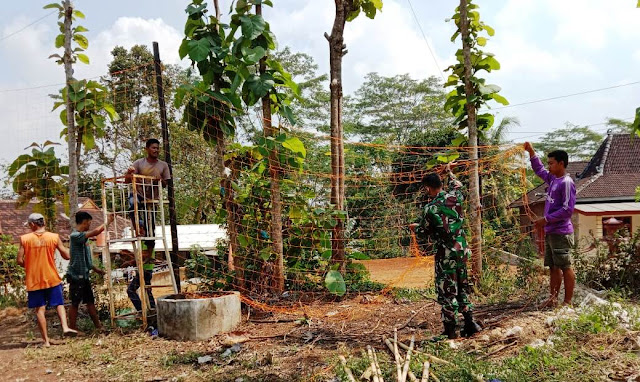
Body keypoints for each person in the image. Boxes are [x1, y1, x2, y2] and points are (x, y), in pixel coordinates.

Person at [410, 164, 482, 340]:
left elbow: (424, 232)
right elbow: (457, 184)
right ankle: (471, 323)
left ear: (427, 187)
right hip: (462, 250)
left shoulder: (430, 208)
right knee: (462, 287)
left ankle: (451, 332)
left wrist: (415, 228)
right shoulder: (456, 198)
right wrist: (449, 171)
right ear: (441, 184)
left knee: (447, 291)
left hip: (446, 254)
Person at [524, 142, 576, 307]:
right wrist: (531, 153)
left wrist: (545, 220)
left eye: (552, 163)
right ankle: (552, 299)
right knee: (553, 267)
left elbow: (568, 209)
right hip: (551, 231)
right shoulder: (553, 178)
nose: (549, 166)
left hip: (561, 232)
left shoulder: (566, 183)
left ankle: (567, 302)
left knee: (565, 266)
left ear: (561, 163)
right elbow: (539, 170)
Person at [17, 213, 77, 346]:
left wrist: (30, 264)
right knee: (59, 304)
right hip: (51, 276)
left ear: (33, 224)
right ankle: (65, 327)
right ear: (43, 223)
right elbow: (66, 256)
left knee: (40, 309)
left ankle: (46, 341)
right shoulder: (54, 237)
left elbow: (19, 260)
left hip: (34, 279)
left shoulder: (25, 239)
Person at [67, 211, 114, 331]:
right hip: (76, 277)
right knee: (75, 303)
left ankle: (98, 326)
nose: (90, 225)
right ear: (84, 222)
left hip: (85, 276)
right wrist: (107, 222)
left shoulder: (84, 239)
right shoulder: (75, 236)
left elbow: (87, 260)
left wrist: (97, 270)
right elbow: (96, 232)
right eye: (89, 223)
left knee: (90, 301)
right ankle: (72, 328)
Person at [124, 138, 170, 237]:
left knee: (151, 227)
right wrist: (129, 173)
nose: (156, 150)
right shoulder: (139, 163)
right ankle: (139, 226)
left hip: (153, 197)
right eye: (153, 148)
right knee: (133, 204)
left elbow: (166, 184)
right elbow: (127, 181)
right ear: (146, 149)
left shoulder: (163, 165)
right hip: (138, 193)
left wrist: (160, 180)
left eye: (157, 148)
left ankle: (149, 248)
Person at [120, 224, 156, 312]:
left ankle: (141, 310)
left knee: (131, 290)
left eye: (136, 229)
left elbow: (144, 255)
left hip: (145, 270)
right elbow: (141, 256)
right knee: (147, 290)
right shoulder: (144, 241)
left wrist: (129, 256)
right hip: (145, 269)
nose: (135, 232)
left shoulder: (146, 241)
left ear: (142, 228)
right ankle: (152, 309)